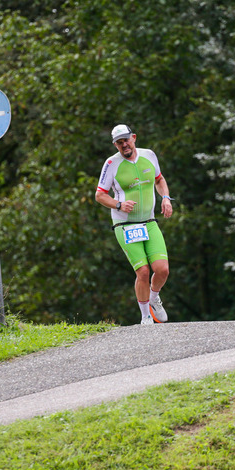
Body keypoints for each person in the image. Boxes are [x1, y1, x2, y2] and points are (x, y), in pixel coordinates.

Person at [95, 124, 174, 325]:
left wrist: (165, 198)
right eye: (119, 142)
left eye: (126, 140)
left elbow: (159, 180)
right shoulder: (111, 163)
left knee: (162, 269)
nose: (124, 145)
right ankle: (145, 316)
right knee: (143, 271)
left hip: (149, 221)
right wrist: (119, 205)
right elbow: (100, 195)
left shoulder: (149, 155)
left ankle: (154, 298)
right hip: (125, 225)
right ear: (115, 145)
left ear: (134, 138)